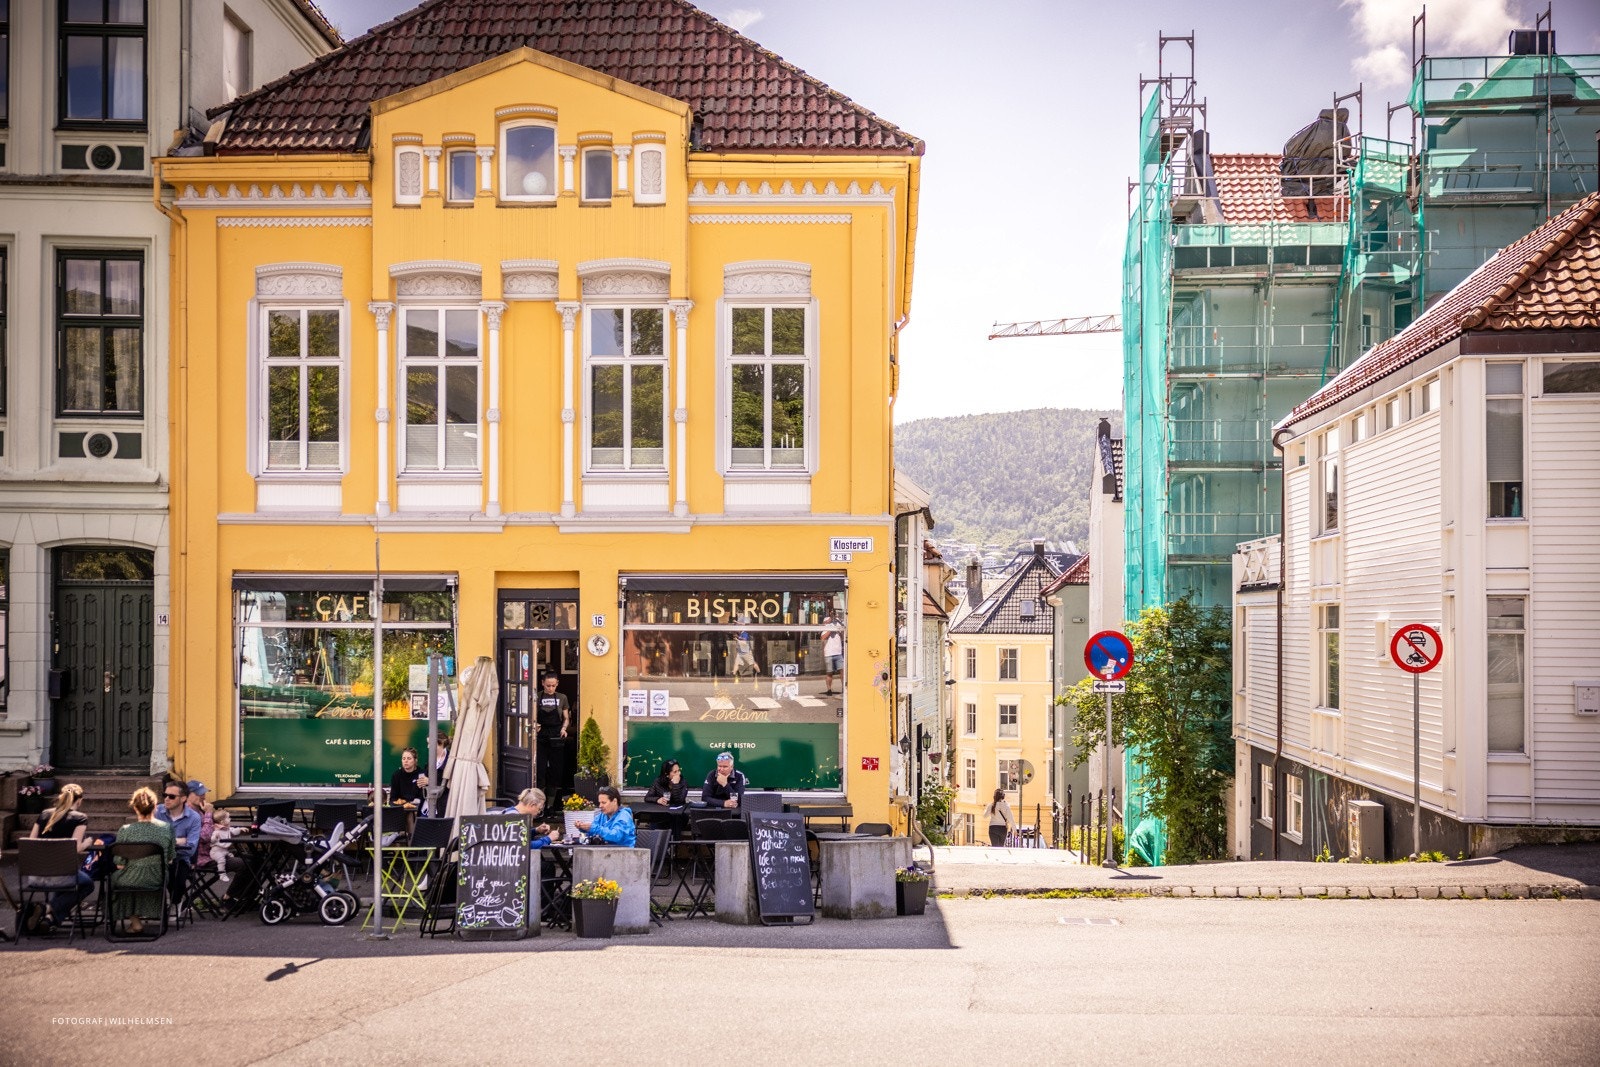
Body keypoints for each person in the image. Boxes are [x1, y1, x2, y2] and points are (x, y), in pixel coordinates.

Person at [26, 783, 93, 933]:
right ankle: (48, 908)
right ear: (79, 800)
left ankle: (50, 920)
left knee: (68, 883)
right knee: (87, 884)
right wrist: (87, 843)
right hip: (63, 876)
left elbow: (31, 843)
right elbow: (76, 848)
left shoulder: (44, 814)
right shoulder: (80, 818)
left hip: (36, 876)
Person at [112, 786, 176, 936]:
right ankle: (152, 913)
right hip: (157, 877)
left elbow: (120, 864)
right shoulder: (167, 828)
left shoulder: (126, 830)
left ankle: (135, 922)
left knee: (116, 880)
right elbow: (170, 858)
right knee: (142, 880)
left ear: (135, 808)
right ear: (155, 807)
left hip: (130, 877)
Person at [155, 779, 201, 904]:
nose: (166, 799)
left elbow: (190, 849)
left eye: (171, 796)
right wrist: (177, 841)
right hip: (155, 859)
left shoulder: (194, 818)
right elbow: (149, 838)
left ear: (183, 798)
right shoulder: (156, 812)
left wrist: (166, 843)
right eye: (165, 795)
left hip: (180, 859)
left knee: (177, 873)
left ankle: (175, 903)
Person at [534, 674, 570, 795]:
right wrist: (535, 724)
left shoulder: (562, 697)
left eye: (553, 686)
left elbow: (566, 718)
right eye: (548, 685)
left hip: (556, 734)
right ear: (542, 683)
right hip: (541, 735)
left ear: (557, 684)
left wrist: (564, 728)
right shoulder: (536, 696)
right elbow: (529, 714)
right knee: (540, 770)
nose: (550, 688)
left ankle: (550, 804)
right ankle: (540, 804)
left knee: (555, 771)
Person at [490, 787, 561, 849]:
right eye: (539, 809)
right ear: (532, 804)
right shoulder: (514, 817)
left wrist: (536, 830)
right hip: (514, 862)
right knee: (546, 865)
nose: (538, 812)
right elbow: (525, 846)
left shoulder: (513, 814)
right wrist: (549, 838)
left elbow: (519, 836)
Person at [186, 779, 214, 868]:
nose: (203, 797)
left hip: (212, 853)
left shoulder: (199, 811)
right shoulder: (187, 813)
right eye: (199, 794)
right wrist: (209, 813)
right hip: (201, 859)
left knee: (251, 860)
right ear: (187, 795)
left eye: (204, 793)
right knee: (243, 863)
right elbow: (205, 836)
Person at [208, 809, 241, 882]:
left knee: (231, 855)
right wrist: (215, 837)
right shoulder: (217, 831)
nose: (230, 819)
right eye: (228, 818)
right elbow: (211, 840)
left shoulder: (227, 829)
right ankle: (222, 874)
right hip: (216, 852)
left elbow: (234, 831)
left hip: (224, 851)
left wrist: (240, 829)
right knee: (221, 860)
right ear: (222, 822)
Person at [821, 614, 844, 695]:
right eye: (827, 622)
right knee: (829, 672)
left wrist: (838, 630)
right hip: (829, 653)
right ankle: (829, 689)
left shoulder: (838, 627)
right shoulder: (826, 628)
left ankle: (844, 688)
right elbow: (823, 638)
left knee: (842, 671)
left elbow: (843, 638)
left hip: (838, 653)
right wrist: (831, 629)